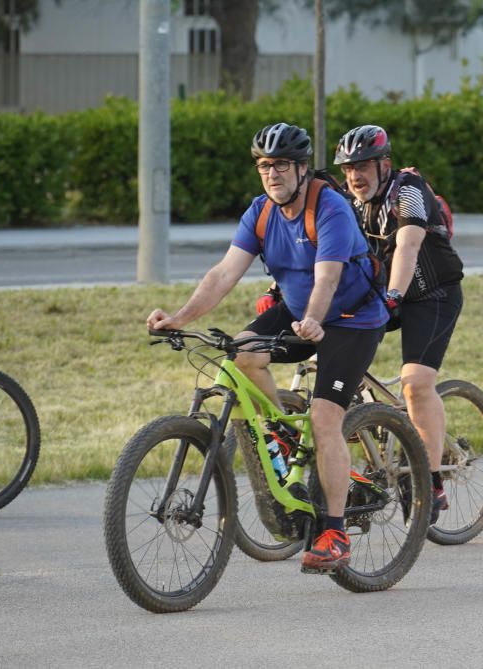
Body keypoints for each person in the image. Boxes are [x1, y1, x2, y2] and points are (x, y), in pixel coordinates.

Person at [147, 122, 388, 572]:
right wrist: (178, 318)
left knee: (325, 416)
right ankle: (286, 438)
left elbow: (328, 277)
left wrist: (315, 318)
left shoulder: (329, 207)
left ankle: (334, 532)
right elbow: (223, 274)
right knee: (240, 353)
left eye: (280, 165)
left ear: (301, 169)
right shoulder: (260, 213)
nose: (271, 174)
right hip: (298, 312)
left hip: (350, 319)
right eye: (263, 165)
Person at [333, 124, 464, 524]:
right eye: (349, 169)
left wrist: (392, 297)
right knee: (336, 356)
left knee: (416, 384)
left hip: (432, 294)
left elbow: (408, 245)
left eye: (364, 167)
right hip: (386, 292)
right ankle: (378, 426)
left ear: (384, 164)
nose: (355, 176)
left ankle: (433, 480)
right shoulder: (350, 204)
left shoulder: (406, 190)